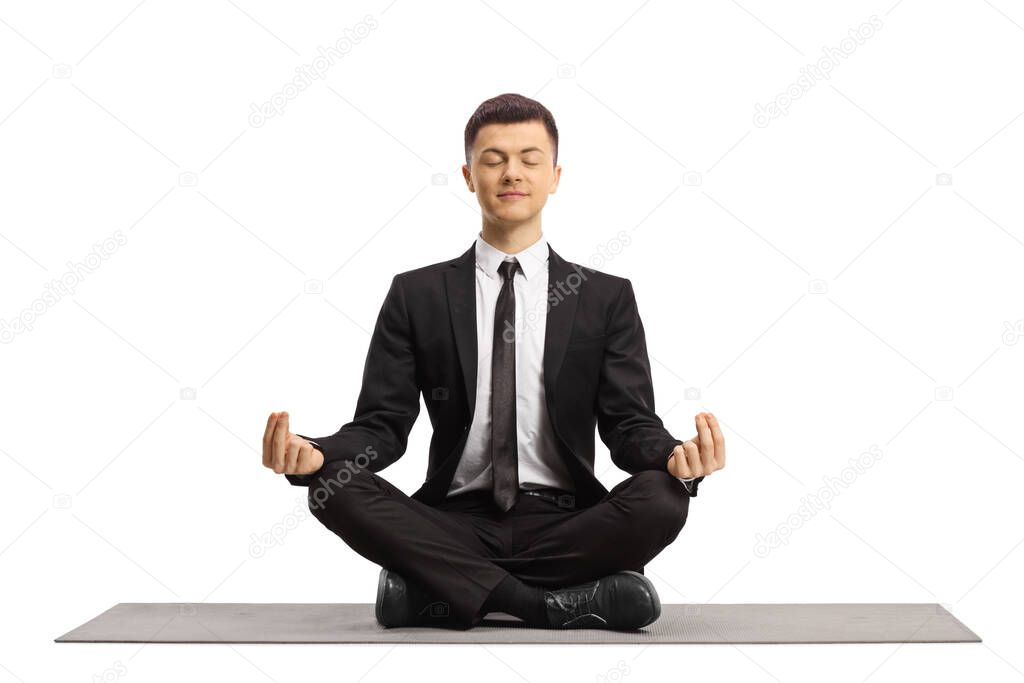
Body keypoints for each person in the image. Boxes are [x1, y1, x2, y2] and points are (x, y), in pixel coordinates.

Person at [261, 93, 726, 631]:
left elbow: (628, 425)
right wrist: (316, 455)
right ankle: (546, 604)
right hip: (454, 520)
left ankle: (437, 590)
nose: (512, 173)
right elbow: (382, 428)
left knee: (663, 499)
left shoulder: (605, 297)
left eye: (530, 159)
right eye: (493, 159)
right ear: (468, 175)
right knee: (333, 486)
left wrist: (674, 457)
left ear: (554, 176)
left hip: (568, 520)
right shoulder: (418, 294)